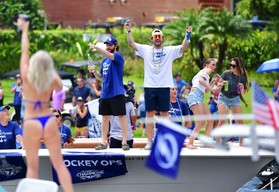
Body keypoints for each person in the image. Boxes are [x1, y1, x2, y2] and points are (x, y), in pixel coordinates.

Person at [14, 16, 81, 192]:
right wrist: (58, 103)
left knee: (32, 168)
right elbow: (61, 90)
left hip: (32, 121)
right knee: (59, 165)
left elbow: (24, 50)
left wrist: (25, 30)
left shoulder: (25, 74)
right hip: (48, 120)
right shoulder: (52, 78)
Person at [125, 20, 192, 150]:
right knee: (150, 114)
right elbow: (131, 44)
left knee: (164, 114)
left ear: (163, 39)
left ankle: (163, 140)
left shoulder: (169, 50)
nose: (157, 39)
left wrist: (187, 34)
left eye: (159, 37)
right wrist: (128, 30)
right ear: (151, 39)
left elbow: (183, 47)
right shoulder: (145, 49)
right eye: (155, 37)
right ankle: (149, 141)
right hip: (150, 86)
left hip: (164, 85)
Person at [88, 36, 129, 150]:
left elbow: (109, 55)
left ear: (116, 46)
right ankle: (103, 142)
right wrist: (94, 71)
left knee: (121, 117)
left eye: (110, 45)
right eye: (106, 45)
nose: (108, 47)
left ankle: (124, 142)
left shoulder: (118, 56)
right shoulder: (104, 61)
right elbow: (100, 76)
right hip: (105, 93)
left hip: (117, 92)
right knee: (105, 118)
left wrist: (96, 47)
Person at [186, 58, 220, 149]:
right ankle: (190, 143)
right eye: (213, 64)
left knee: (210, 119)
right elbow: (201, 81)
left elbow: (205, 90)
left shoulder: (204, 74)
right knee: (201, 122)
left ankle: (207, 142)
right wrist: (213, 89)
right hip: (195, 96)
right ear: (207, 65)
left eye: (215, 65)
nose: (214, 67)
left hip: (197, 97)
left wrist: (213, 84)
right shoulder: (207, 71)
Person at [216, 57, 249, 146]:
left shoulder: (242, 76)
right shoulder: (226, 74)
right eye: (231, 65)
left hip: (235, 99)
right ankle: (217, 141)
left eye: (233, 65)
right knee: (222, 119)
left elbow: (244, 91)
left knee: (240, 121)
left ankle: (241, 143)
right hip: (223, 97)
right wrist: (221, 84)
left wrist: (242, 88)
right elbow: (218, 84)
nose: (231, 67)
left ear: (239, 66)